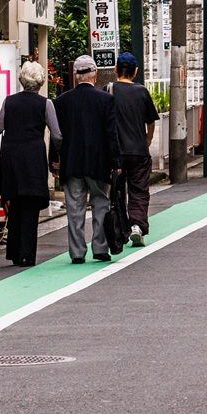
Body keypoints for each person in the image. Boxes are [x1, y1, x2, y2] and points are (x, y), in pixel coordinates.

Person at [0, 60, 61, 267]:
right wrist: (58, 157)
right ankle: (26, 255)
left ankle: (13, 252)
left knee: (14, 202)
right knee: (30, 206)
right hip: (33, 158)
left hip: (11, 158)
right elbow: (57, 134)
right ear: (40, 82)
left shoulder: (9, 101)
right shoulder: (45, 104)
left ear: (22, 80)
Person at [54, 54, 121, 264]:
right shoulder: (106, 100)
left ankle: (77, 252)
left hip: (71, 161)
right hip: (98, 162)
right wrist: (116, 161)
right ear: (95, 74)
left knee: (74, 207)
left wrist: (54, 161)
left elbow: (57, 135)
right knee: (101, 202)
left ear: (75, 75)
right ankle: (100, 248)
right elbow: (111, 134)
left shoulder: (62, 101)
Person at [109, 52, 159, 247]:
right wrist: (147, 140)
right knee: (139, 190)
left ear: (115, 70)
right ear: (136, 71)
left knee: (117, 191)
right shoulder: (141, 92)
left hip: (117, 152)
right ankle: (137, 225)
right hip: (138, 150)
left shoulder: (109, 90)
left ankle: (121, 230)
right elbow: (151, 121)